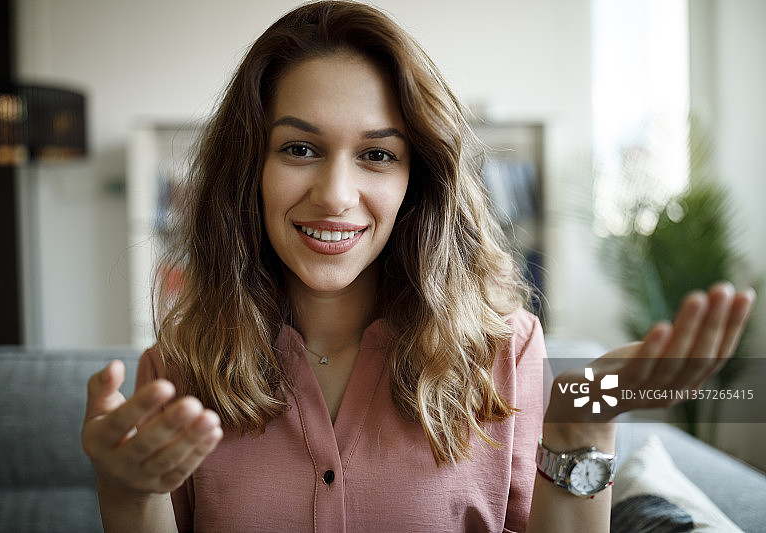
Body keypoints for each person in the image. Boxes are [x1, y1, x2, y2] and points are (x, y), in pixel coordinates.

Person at [81, 2, 756, 531]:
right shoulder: (176, 371)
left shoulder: (504, 348)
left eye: (377, 155)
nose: (336, 196)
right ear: (248, 169)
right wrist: (126, 490)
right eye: (299, 149)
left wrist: (583, 420)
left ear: (418, 179)